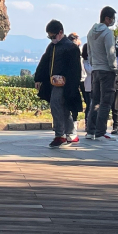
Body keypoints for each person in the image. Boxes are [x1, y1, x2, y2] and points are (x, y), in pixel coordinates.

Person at [33, 20, 83, 148]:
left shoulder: (71, 48)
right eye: (49, 36)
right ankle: (71, 134)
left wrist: (71, 85)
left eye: (53, 36)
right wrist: (38, 78)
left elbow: (75, 70)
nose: (51, 39)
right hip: (53, 83)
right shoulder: (52, 47)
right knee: (63, 108)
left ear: (60, 32)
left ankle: (60, 135)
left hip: (65, 84)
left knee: (56, 106)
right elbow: (44, 62)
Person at [86, 6, 118, 141]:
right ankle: (100, 132)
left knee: (95, 101)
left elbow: (89, 52)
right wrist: (115, 69)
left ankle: (90, 131)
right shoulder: (107, 33)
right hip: (107, 71)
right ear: (107, 18)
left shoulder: (90, 32)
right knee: (106, 102)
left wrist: (94, 65)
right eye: (112, 19)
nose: (113, 21)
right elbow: (111, 54)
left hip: (95, 70)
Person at [80, 42, 92, 120]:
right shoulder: (86, 60)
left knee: (90, 104)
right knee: (90, 104)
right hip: (89, 84)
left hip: (89, 84)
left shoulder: (87, 60)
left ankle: (88, 122)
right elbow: (90, 71)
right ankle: (88, 122)